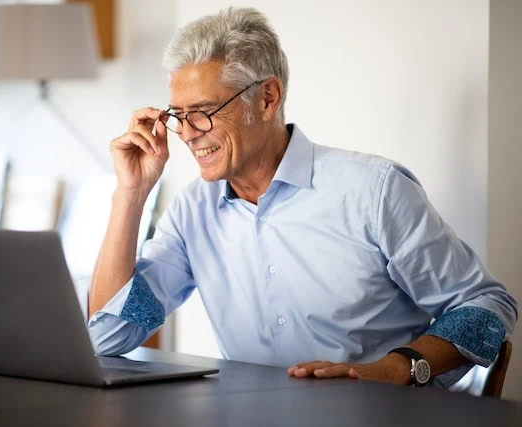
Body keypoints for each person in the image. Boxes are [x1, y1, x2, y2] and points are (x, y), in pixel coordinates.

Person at [87, 7, 517, 388]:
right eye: (179, 116)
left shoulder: (373, 190)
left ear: (268, 98)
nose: (189, 133)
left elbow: (486, 306)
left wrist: (395, 368)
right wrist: (131, 193)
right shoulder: (191, 212)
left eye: (203, 112)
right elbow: (107, 338)